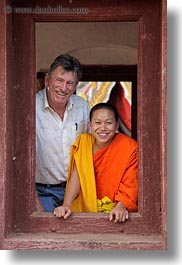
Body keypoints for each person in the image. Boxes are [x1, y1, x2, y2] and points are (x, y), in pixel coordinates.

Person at [54, 102, 138, 223]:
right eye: (98, 123)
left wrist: (121, 206)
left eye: (108, 123)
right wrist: (66, 204)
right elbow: (77, 175)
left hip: (115, 211)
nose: (103, 128)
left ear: (117, 126)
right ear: (90, 125)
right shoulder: (84, 143)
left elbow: (131, 181)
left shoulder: (130, 147)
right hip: (85, 208)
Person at [35, 54, 90, 212]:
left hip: (79, 191)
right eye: (59, 80)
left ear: (75, 86)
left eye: (69, 83)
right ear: (47, 80)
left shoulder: (83, 107)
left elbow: (93, 147)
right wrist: (34, 203)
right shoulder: (31, 107)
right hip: (42, 192)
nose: (63, 88)